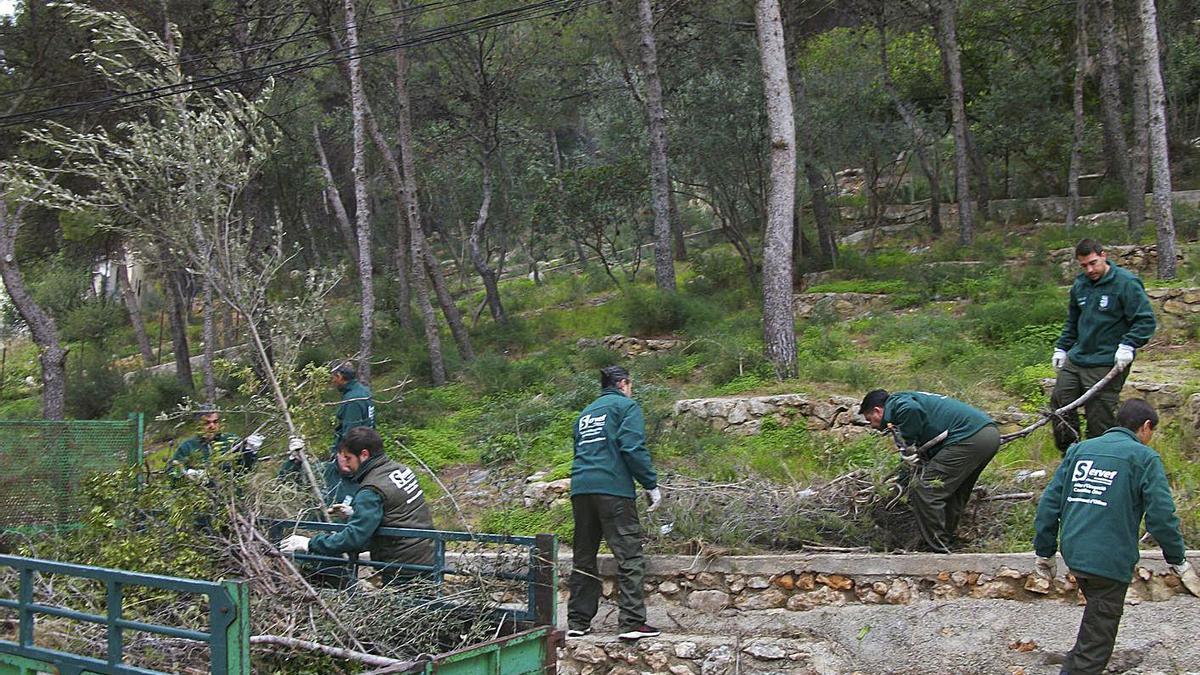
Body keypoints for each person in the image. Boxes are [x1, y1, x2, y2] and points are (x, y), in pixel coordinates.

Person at [1033, 399, 1200, 674]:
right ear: (1146, 426)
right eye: (1152, 432)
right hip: (1109, 561)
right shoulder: (1144, 457)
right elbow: (1161, 516)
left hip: (1075, 553)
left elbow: (1050, 504)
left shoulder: (1080, 450)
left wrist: (1045, 552)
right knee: (1095, 648)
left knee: (1093, 630)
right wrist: (1178, 559)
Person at [567, 365, 662, 641]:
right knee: (629, 555)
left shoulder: (586, 413)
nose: (631, 389)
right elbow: (632, 447)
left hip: (581, 489)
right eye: (630, 384)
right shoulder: (626, 407)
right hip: (613, 490)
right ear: (623, 383)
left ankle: (578, 621)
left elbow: (578, 450)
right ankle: (632, 622)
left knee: (584, 556)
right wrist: (650, 484)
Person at [279, 427, 434, 582]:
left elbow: (354, 538)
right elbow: (398, 513)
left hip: (403, 566)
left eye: (349, 458)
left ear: (364, 455)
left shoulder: (371, 488)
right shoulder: (400, 470)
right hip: (428, 555)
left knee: (407, 603)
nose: (346, 463)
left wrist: (309, 543)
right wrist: (355, 513)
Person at [859, 389, 1000, 553]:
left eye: (870, 419)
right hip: (987, 435)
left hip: (968, 438)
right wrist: (900, 484)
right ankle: (947, 542)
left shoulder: (896, 404)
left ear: (877, 410)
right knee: (953, 493)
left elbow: (911, 410)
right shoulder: (910, 404)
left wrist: (908, 441)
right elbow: (912, 457)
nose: (872, 425)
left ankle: (936, 548)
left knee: (925, 489)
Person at [1051, 239, 1156, 454]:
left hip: (1108, 361)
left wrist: (1129, 344)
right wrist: (1061, 348)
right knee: (1060, 404)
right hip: (1078, 358)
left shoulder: (1126, 283)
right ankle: (1070, 454)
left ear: (1104, 255)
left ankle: (1099, 459)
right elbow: (1073, 322)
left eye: (1093, 263)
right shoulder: (1080, 285)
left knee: (1099, 416)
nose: (1089, 270)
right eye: (1084, 265)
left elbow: (1145, 320)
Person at [279, 361, 375, 506]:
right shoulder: (363, 392)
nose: (332, 381)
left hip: (355, 459)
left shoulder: (352, 400)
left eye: (333, 377)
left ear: (339, 376)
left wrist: (343, 457)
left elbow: (350, 434)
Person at [171, 406, 261, 481]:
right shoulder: (188, 446)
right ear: (198, 424)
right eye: (207, 423)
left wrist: (250, 452)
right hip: (202, 498)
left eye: (215, 422)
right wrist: (188, 474)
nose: (212, 426)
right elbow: (172, 473)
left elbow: (248, 469)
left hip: (231, 496)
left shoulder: (231, 440)